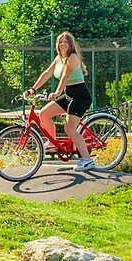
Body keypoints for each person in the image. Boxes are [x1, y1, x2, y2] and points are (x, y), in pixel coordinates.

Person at [26, 31, 94, 171]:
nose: (63, 44)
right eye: (60, 41)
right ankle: (52, 143)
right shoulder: (58, 58)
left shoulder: (73, 57)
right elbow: (46, 74)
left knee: (69, 128)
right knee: (44, 113)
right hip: (68, 95)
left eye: (66, 41)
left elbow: (64, 76)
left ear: (71, 44)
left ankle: (87, 160)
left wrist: (57, 93)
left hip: (80, 96)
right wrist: (33, 89)